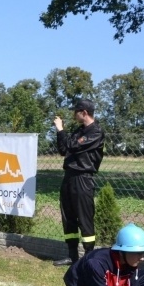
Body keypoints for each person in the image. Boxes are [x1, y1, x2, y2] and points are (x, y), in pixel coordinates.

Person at [52, 99, 105, 267]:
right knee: (68, 218)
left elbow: (72, 145)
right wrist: (60, 132)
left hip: (83, 178)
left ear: (84, 112)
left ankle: (89, 257)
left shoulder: (95, 132)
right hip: (69, 176)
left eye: (76, 112)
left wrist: (61, 129)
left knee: (85, 218)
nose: (74, 115)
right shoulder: (79, 130)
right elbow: (63, 149)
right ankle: (72, 256)